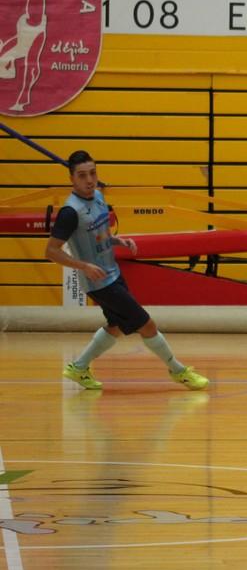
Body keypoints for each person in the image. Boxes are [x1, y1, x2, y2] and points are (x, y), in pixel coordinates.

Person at [45, 150, 209, 392]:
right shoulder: (70, 212)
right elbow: (51, 251)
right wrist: (84, 266)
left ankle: (78, 367)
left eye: (92, 173)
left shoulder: (99, 197)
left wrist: (118, 241)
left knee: (116, 326)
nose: (89, 180)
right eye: (82, 175)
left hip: (113, 272)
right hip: (99, 282)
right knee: (147, 325)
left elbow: (99, 235)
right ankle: (178, 371)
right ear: (72, 179)